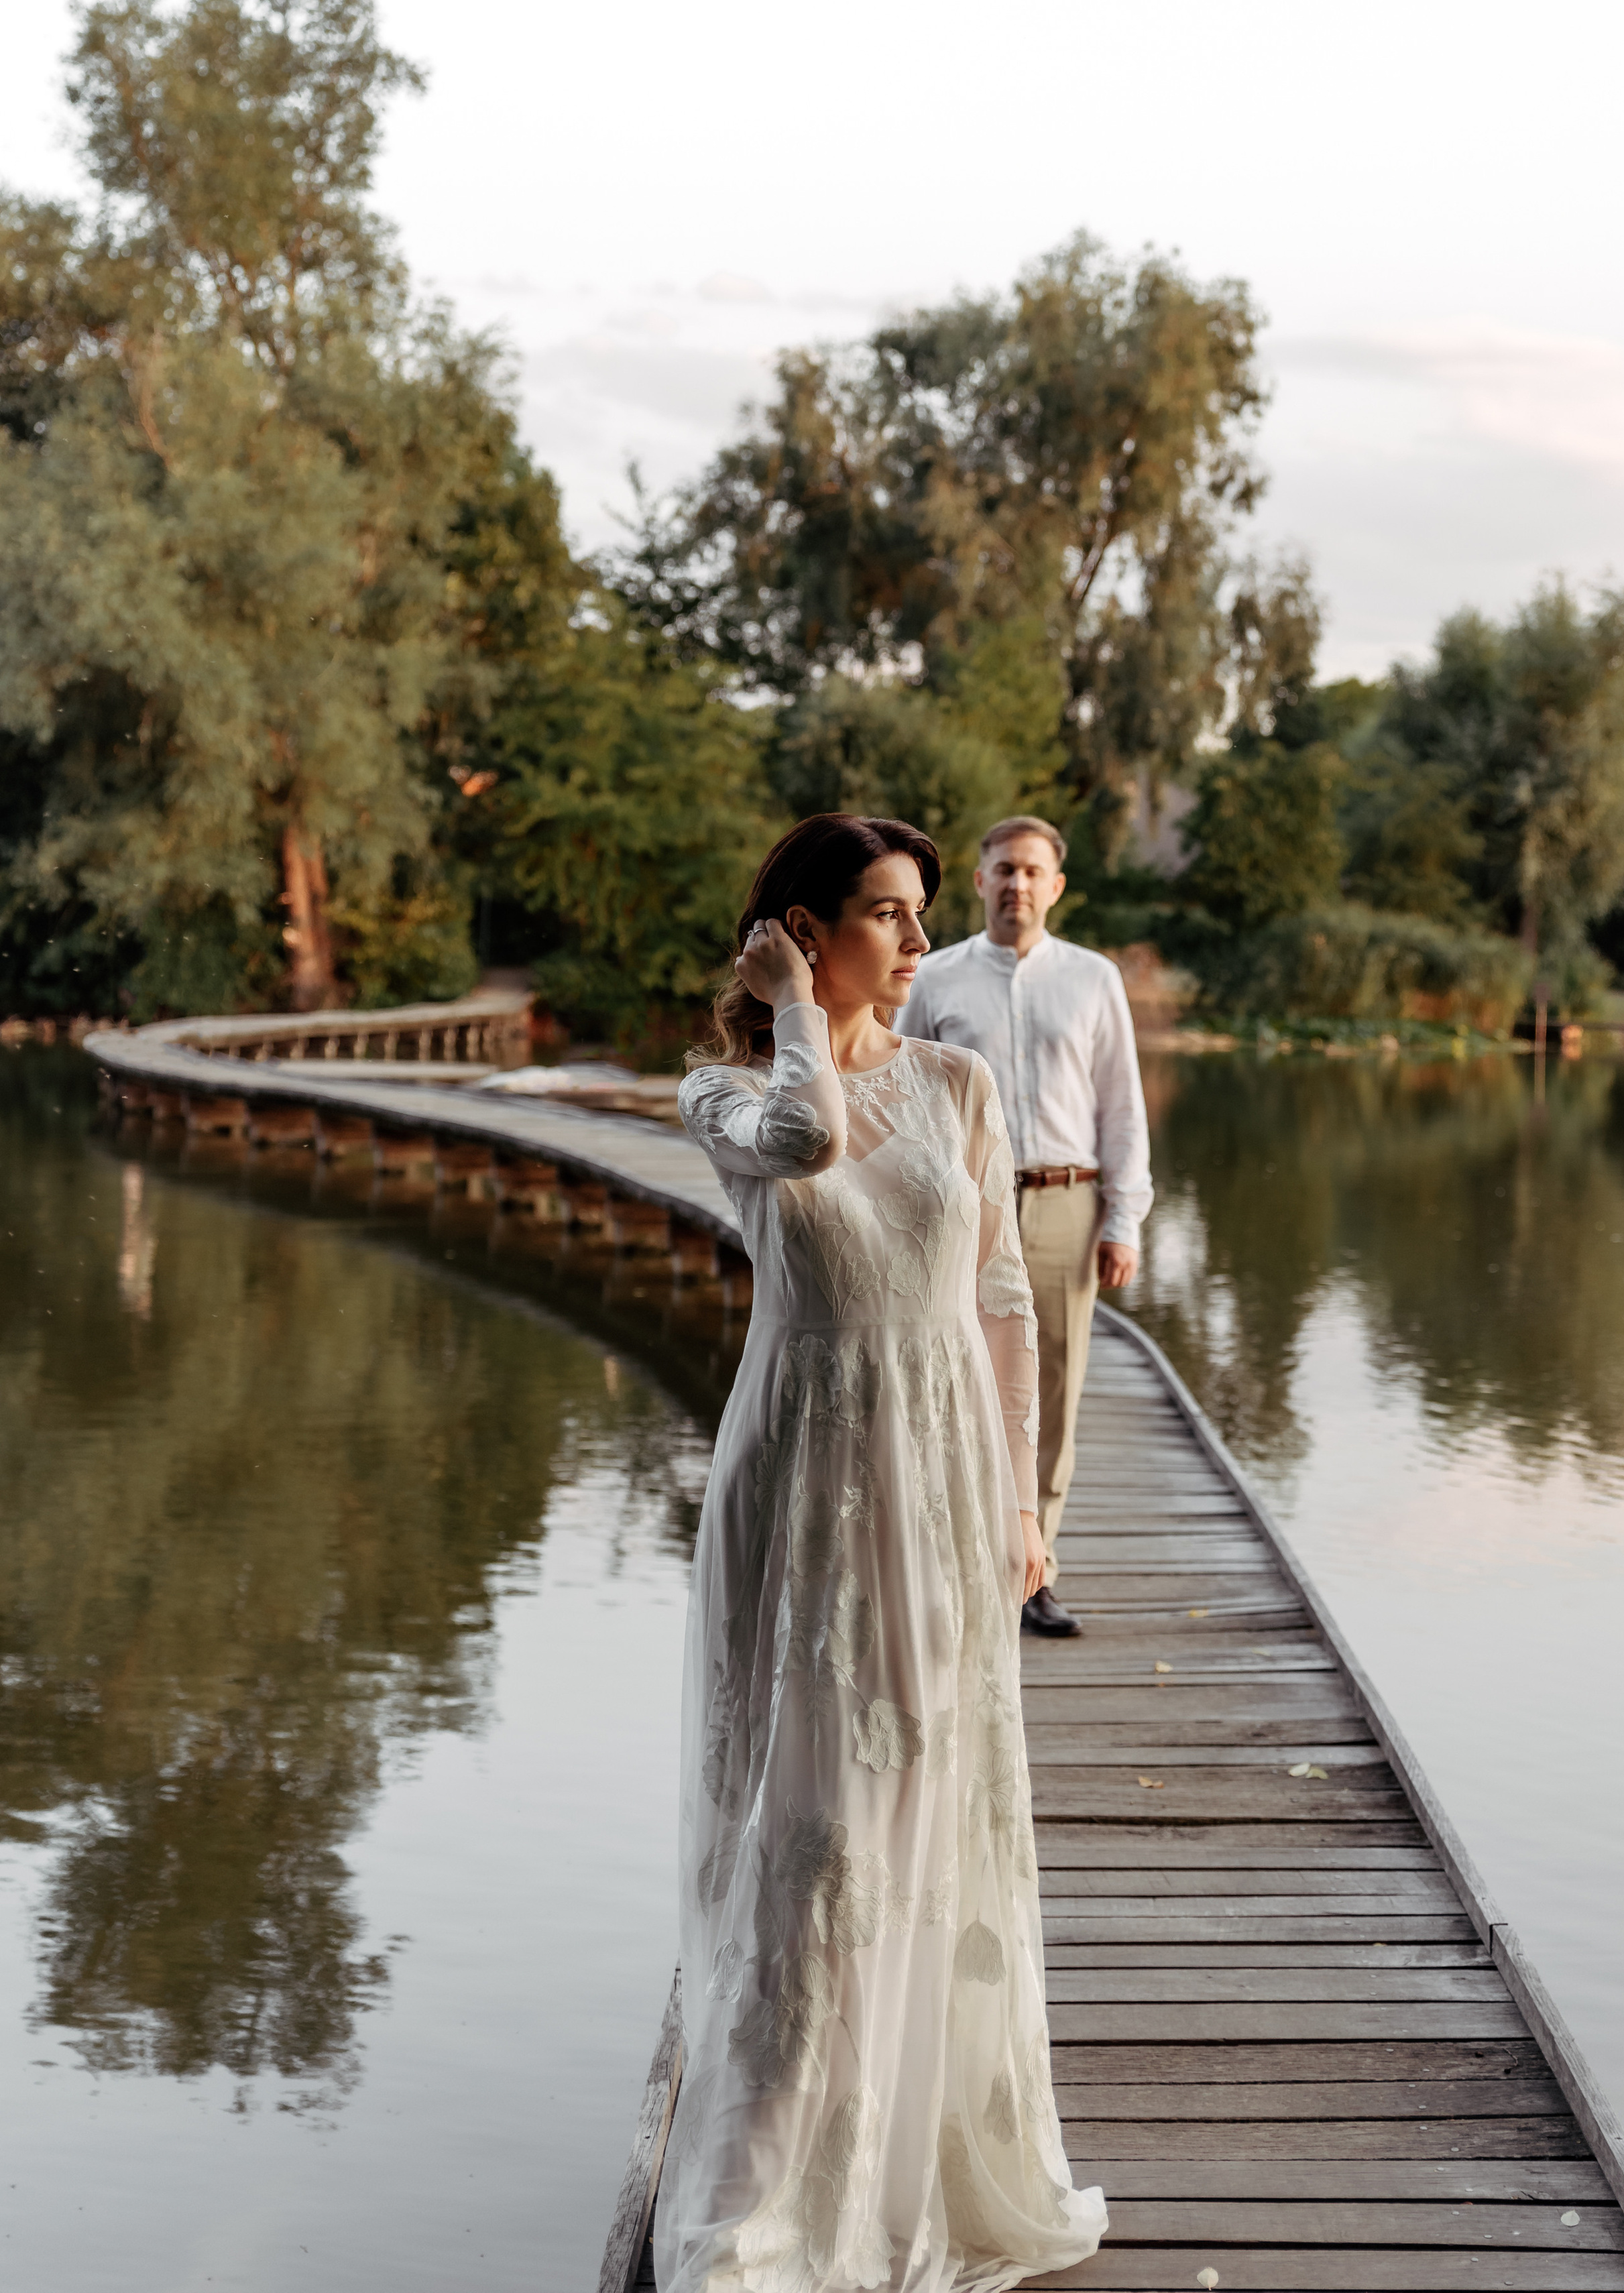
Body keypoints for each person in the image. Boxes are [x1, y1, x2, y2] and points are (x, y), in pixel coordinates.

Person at [657, 813, 1107, 2293]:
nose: (920, 947)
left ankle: (922, 2149)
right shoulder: (723, 1089)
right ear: (794, 929)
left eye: (924, 916)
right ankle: (773, 2191)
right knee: (816, 1844)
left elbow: (1000, 1307)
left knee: (925, 1809)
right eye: (886, 917)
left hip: (936, 1481)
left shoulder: (961, 1085)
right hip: (802, 1487)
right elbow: (808, 1140)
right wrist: (793, 1008)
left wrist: (1024, 1504)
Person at [898, 817, 1153, 1639]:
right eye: (1003, 869)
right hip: (960, 1202)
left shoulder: (1093, 979)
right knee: (950, 1377)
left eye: (1032, 871)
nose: (1017, 884)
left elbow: (1121, 1106)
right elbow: (899, 1097)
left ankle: (1032, 1573)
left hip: (1064, 1203)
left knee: (1051, 1390)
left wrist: (1124, 1220)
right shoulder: (932, 978)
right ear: (979, 881)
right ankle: (952, 1564)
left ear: (1055, 887)